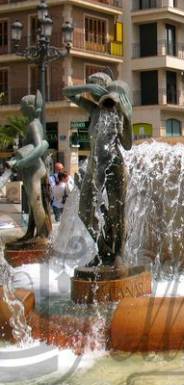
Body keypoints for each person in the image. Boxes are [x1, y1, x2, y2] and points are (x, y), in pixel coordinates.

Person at [63, 71, 132, 268]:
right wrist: (86, 88)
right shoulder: (93, 110)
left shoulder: (117, 111)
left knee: (116, 212)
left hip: (114, 164)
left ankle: (119, 253)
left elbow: (127, 145)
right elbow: (67, 92)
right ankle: (103, 249)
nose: (94, 93)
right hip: (95, 165)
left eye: (96, 85)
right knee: (85, 210)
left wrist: (126, 117)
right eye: (92, 87)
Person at [7, 91, 52, 243]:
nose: (20, 109)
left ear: (30, 108)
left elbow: (40, 147)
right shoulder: (32, 124)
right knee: (33, 204)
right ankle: (31, 232)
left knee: (36, 202)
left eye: (23, 106)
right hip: (30, 169)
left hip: (34, 169)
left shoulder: (33, 125)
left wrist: (22, 163)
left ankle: (43, 236)